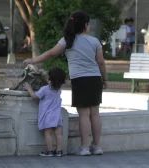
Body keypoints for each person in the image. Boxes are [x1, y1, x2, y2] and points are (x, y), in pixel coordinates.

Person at [23, 11, 108, 156]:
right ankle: (97, 146)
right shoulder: (94, 41)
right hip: (95, 79)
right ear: (86, 26)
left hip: (79, 80)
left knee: (83, 115)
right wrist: (105, 80)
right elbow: (101, 62)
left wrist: (33, 60)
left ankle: (85, 147)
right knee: (94, 114)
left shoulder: (67, 40)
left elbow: (51, 53)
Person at [23, 67, 66, 157]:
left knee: (48, 133)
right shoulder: (59, 90)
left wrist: (29, 88)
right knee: (58, 133)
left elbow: (35, 97)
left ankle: (49, 151)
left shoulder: (45, 89)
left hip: (47, 115)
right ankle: (59, 151)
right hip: (57, 115)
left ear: (50, 78)